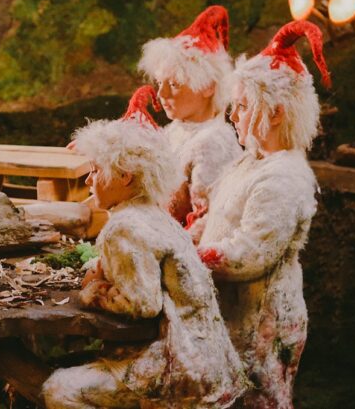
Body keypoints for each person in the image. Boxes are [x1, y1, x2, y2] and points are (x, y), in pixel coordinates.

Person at [41, 116, 246, 408]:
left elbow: (143, 303)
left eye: (96, 170)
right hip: (209, 358)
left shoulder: (123, 227)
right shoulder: (155, 215)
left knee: (59, 388)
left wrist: (93, 290)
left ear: (125, 176)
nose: (88, 180)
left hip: (179, 366)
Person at [194, 20, 330, 408]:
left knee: (262, 401)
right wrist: (194, 231)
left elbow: (248, 254)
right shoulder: (251, 160)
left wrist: (188, 257)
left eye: (242, 106)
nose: (233, 116)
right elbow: (223, 218)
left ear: (276, 112)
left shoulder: (283, 177)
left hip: (263, 323)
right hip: (237, 314)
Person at [134, 5, 243, 228]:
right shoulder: (175, 129)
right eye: (160, 83)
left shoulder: (213, 144)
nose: (162, 94)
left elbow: (207, 226)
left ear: (208, 86)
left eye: (174, 84)